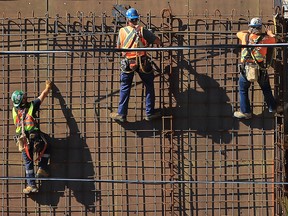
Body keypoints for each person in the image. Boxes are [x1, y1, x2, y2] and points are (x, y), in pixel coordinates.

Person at [110, 8, 163, 122]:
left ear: (127, 20)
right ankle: (149, 113)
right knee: (149, 85)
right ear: (137, 19)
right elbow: (158, 42)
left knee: (125, 87)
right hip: (142, 62)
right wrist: (147, 40)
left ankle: (121, 114)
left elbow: (119, 48)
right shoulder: (142, 30)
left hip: (128, 62)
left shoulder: (122, 31)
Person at [11, 80, 52, 194]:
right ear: (22, 100)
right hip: (35, 139)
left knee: (28, 162)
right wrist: (47, 88)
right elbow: (42, 96)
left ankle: (31, 185)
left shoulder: (14, 110)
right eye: (24, 97)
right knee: (47, 146)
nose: (26, 97)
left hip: (23, 140)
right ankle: (42, 168)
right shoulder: (31, 107)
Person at [234, 17, 279, 119]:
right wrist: (269, 33)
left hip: (246, 69)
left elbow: (238, 33)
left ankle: (246, 112)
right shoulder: (266, 39)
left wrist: (248, 30)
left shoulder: (245, 36)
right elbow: (276, 39)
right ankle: (273, 108)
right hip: (260, 68)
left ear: (251, 27)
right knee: (266, 89)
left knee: (243, 89)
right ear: (260, 28)